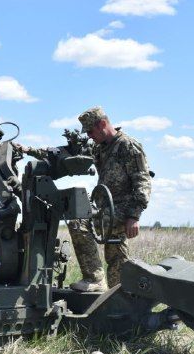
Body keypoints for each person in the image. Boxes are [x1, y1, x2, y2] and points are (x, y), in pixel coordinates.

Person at [18, 106, 152, 292]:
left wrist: (134, 216)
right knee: (117, 258)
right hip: (108, 208)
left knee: (80, 222)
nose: (89, 136)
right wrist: (28, 150)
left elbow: (142, 180)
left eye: (90, 131)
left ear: (103, 124)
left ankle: (94, 278)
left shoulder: (127, 145)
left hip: (121, 210)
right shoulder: (99, 147)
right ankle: (119, 298)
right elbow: (61, 153)